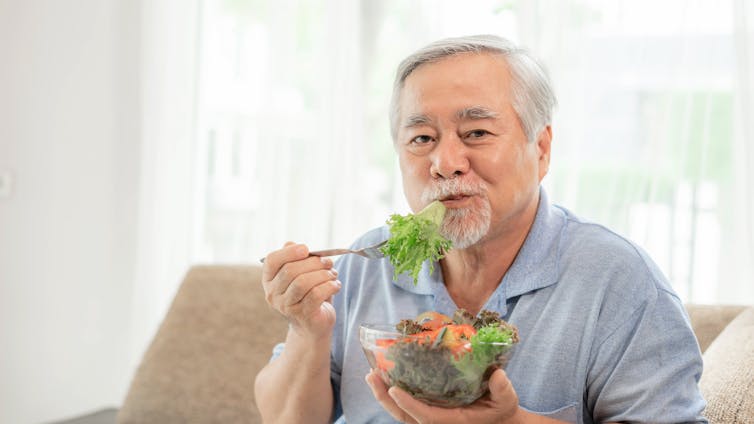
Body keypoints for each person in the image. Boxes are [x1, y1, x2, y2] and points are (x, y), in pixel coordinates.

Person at [255, 34, 707, 423]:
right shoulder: (363, 263)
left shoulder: (620, 282)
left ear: (542, 149)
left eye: (476, 133)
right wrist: (307, 331)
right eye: (422, 139)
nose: (446, 163)